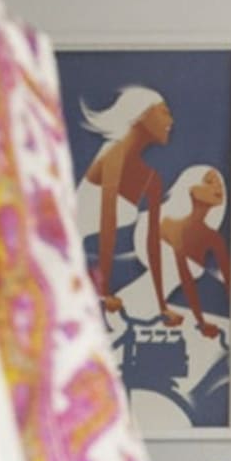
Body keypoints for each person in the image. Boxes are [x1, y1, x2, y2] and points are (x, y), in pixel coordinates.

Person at [78, 85, 180, 324]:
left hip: (106, 268)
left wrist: (160, 304)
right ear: (142, 115)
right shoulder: (112, 156)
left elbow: (152, 244)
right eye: (163, 112)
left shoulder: (150, 178)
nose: (171, 120)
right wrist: (104, 292)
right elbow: (107, 220)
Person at [153, 163, 230, 337]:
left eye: (220, 183)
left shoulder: (214, 238)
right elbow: (184, 275)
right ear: (191, 190)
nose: (218, 187)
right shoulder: (173, 227)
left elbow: (230, 282)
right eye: (209, 181)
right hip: (151, 302)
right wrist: (201, 322)